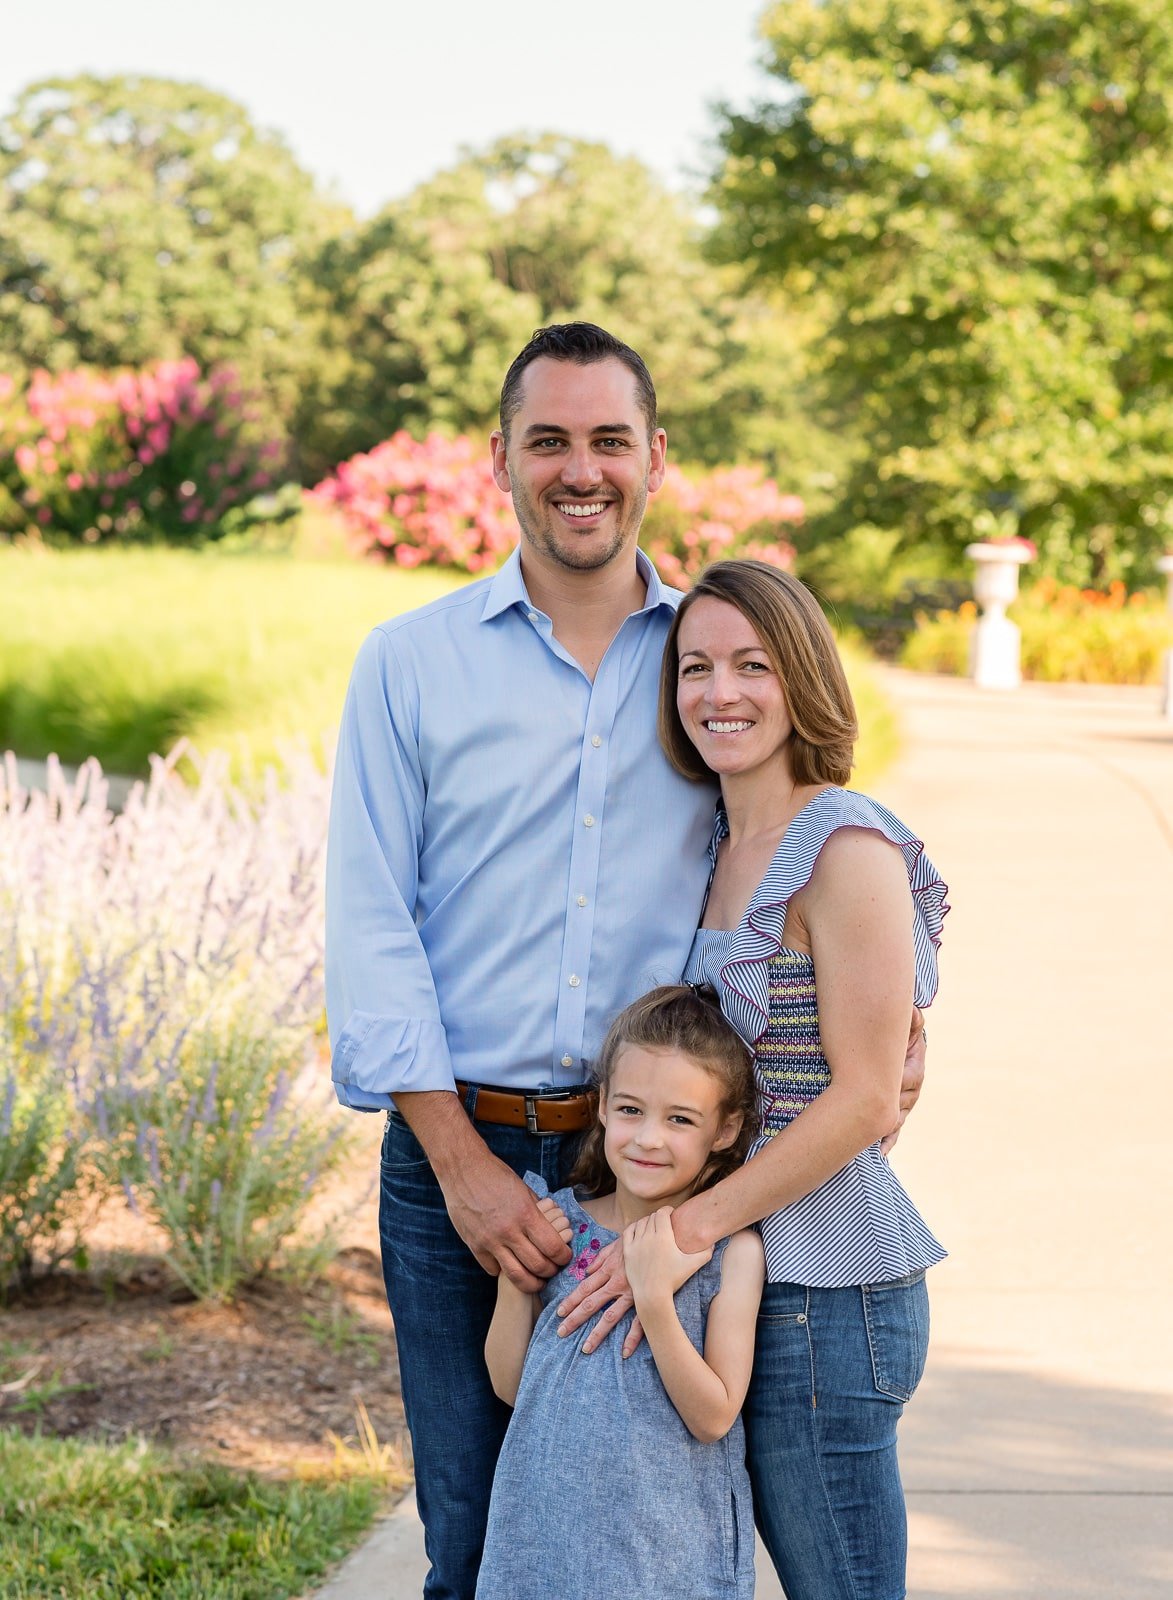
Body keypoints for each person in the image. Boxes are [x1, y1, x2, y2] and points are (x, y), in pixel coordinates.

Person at [325, 322, 927, 1600]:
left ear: (656, 456)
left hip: (661, 1172)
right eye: (548, 440)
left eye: (609, 439)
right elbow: (371, 930)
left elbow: (814, 864)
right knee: (478, 1548)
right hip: (459, 1173)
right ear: (499, 459)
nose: (579, 468)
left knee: (660, 1539)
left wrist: (885, 1045)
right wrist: (464, 1168)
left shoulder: (701, 657)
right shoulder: (411, 666)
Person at [559, 558, 948, 1600]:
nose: (718, 692)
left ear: (802, 679)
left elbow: (865, 1095)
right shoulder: (721, 845)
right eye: (695, 668)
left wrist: (689, 1231)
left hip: (825, 1292)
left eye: (751, 665)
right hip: (742, 1281)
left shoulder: (842, 845)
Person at [475, 985, 765, 1599]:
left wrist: (656, 1301)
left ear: (725, 1128)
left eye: (680, 1119)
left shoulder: (728, 1254)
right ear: (602, 1105)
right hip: (546, 1541)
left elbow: (714, 1417)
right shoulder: (559, 1222)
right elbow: (510, 1386)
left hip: (665, 1548)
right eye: (631, 1109)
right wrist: (516, 1282)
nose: (648, 1138)